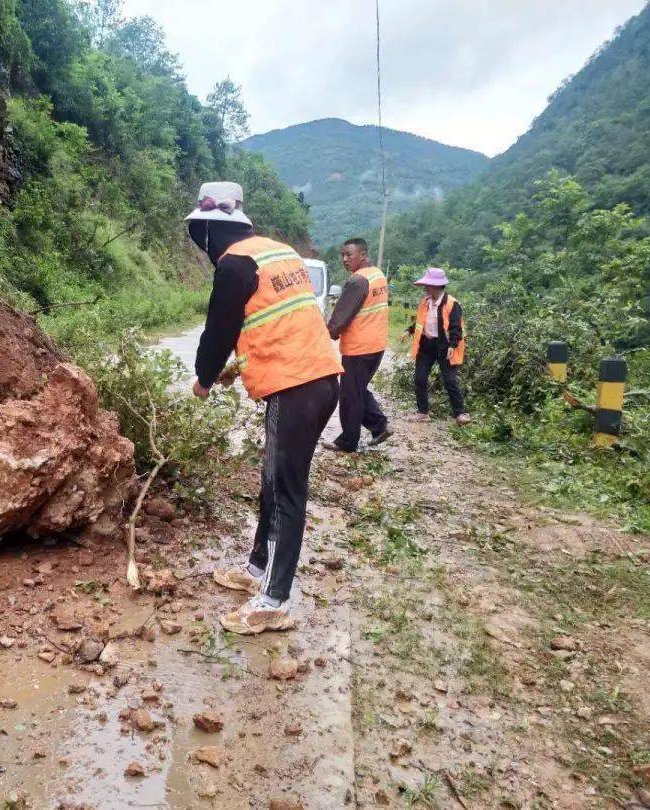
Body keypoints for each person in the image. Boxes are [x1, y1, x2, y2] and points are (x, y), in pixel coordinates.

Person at [186, 181, 342, 634]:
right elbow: (275, 321)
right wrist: (240, 365)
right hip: (318, 379)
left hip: (295, 386)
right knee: (273, 482)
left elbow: (219, 329)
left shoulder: (234, 264)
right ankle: (258, 568)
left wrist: (204, 378)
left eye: (202, 236)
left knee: (284, 492)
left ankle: (273, 599)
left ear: (211, 231)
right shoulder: (278, 251)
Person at [324, 238, 393, 453]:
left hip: (359, 347)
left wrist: (325, 335)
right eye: (342, 255)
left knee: (349, 396)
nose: (345, 259)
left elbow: (339, 319)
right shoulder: (378, 274)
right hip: (377, 345)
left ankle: (348, 441)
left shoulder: (358, 281)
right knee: (356, 389)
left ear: (363, 254)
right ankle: (380, 426)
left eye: (349, 255)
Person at [404, 267, 471, 424]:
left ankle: (460, 414)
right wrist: (409, 330)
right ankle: (423, 413)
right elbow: (422, 321)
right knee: (420, 378)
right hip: (426, 345)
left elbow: (456, 327)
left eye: (427, 285)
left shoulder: (452, 304)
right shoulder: (425, 302)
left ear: (436, 286)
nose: (425, 288)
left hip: (445, 346)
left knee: (450, 380)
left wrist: (452, 345)